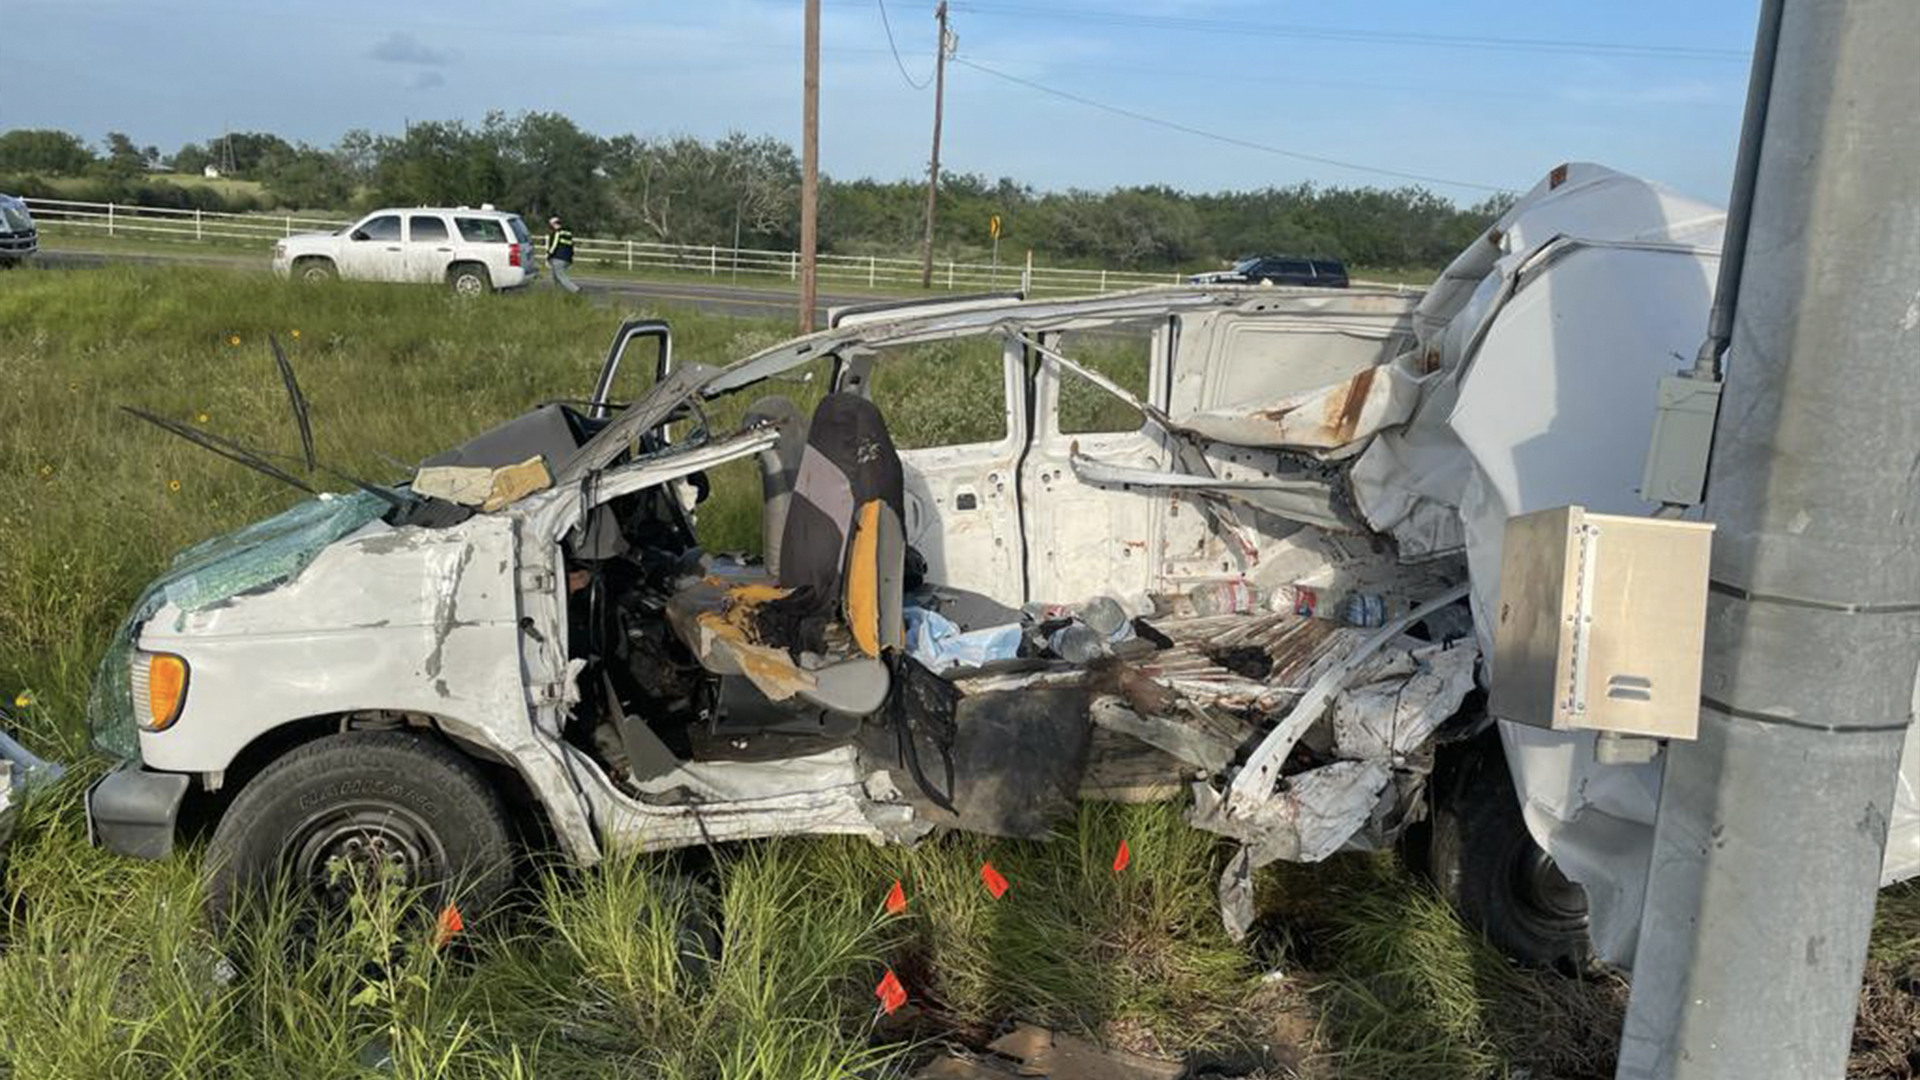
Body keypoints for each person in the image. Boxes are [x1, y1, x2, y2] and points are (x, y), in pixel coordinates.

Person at [546, 215, 579, 293]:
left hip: (558, 258)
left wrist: (549, 255)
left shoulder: (557, 233)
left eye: (550, 224)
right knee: (556, 277)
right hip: (567, 259)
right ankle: (558, 294)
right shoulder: (568, 233)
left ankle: (577, 290)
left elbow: (554, 245)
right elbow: (571, 246)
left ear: (553, 224)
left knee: (561, 277)